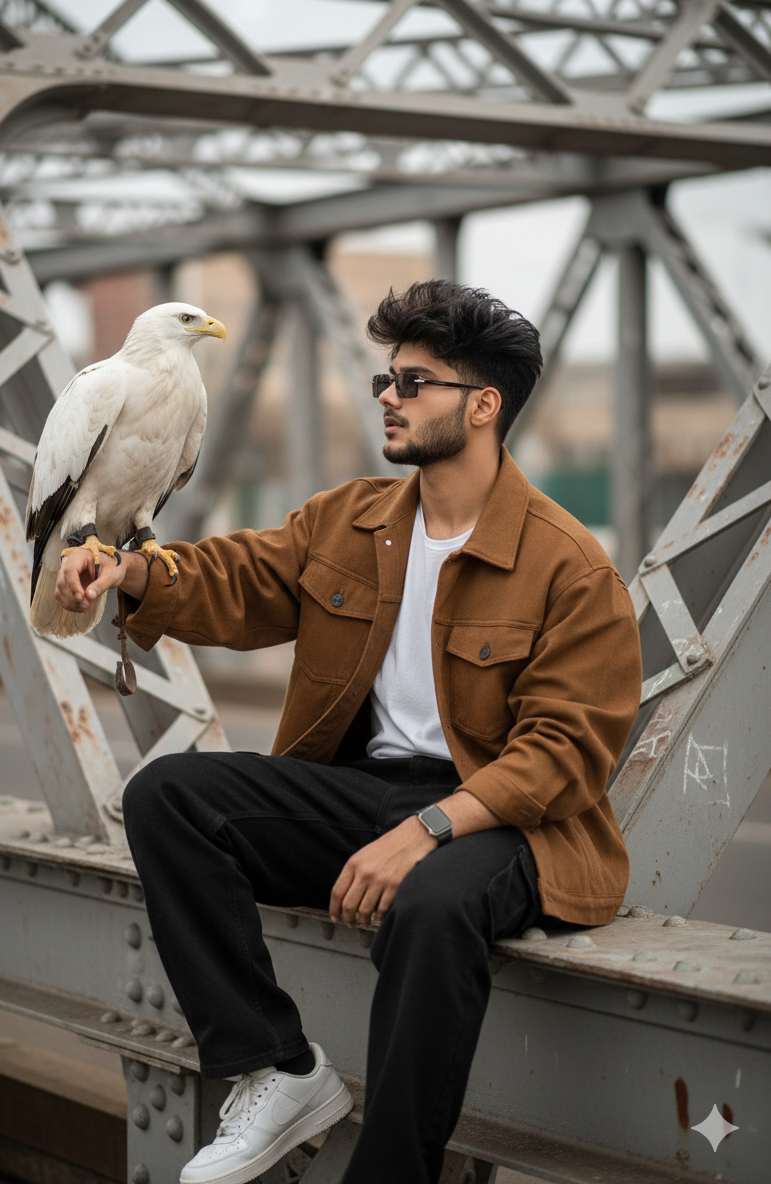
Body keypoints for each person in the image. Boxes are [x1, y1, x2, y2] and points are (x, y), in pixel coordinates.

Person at [55, 280, 642, 1184]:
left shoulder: (568, 565)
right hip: (370, 791)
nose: (387, 397)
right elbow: (239, 580)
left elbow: (566, 753)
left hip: (507, 825)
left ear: (483, 406)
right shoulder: (355, 519)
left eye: (414, 382)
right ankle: (278, 1069)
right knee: (170, 796)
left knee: (435, 904)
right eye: (385, 379)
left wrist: (427, 831)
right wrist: (125, 570)